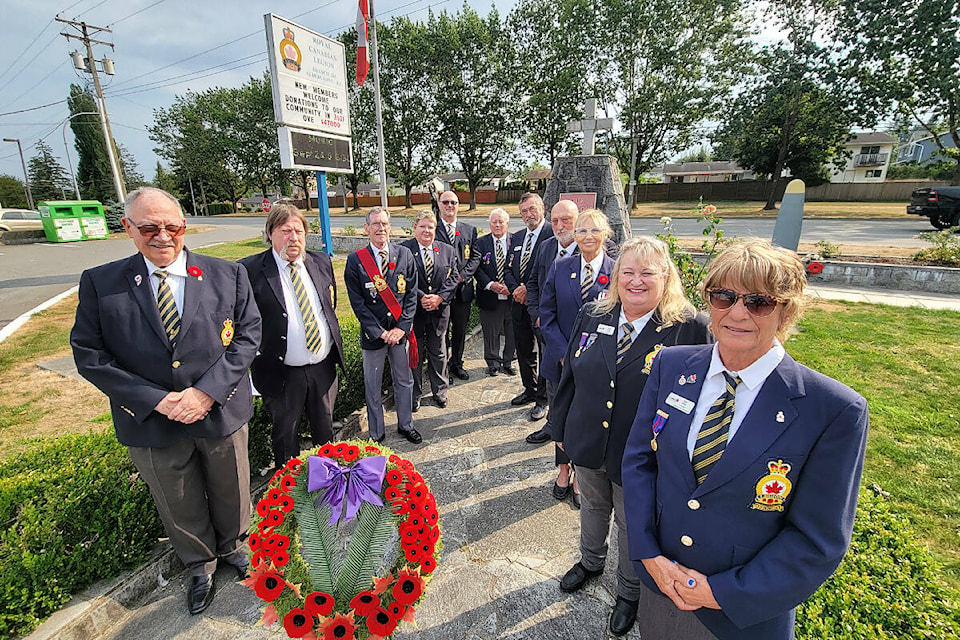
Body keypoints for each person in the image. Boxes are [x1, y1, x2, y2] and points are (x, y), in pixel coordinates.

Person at [622, 238, 870, 640]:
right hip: (661, 586)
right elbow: (639, 462)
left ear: (785, 311)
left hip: (741, 617)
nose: (736, 313)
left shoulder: (833, 410)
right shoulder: (671, 365)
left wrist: (719, 592)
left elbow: (817, 539)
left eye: (759, 302)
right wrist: (648, 554)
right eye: (723, 297)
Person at [70, 187, 261, 615]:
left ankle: (234, 547)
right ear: (129, 229)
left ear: (184, 226)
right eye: (150, 227)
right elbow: (90, 354)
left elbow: (247, 337)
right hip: (153, 421)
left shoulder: (225, 274)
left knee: (232, 485)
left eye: (171, 226)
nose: (162, 236)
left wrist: (206, 393)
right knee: (177, 497)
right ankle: (200, 564)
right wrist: (156, 400)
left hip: (218, 410)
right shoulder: (102, 283)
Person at [551, 237, 711, 636]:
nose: (636, 281)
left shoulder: (688, 328)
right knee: (591, 505)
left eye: (647, 273)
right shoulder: (594, 314)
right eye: (628, 272)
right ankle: (590, 562)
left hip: (643, 455)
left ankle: (628, 592)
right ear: (615, 276)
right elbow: (569, 376)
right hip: (588, 440)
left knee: (631, 522)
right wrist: (561, 430)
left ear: (666, 276)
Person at [239, 204, 344, 470]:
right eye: (285, 231)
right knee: (286, 436)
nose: (293, 237)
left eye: (298, 230)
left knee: (325, 431)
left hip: (322, 368)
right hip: (281, 372)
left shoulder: (320, 261)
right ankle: (291, 496)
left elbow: (328, 306)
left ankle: (326, 483)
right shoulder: (248, 271)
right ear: (270, 234)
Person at [540, 209, 616, 507]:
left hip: (598, 366)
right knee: (560, 418)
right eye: (582, 230)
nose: (587, 236)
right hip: (560, 362)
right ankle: (562, 469)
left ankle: (581, 477)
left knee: (586, 421)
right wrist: (562, 353)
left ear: (605, 235)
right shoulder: (561, 267)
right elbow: (546, 314)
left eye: (595, 230)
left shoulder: (617, 271)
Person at [344, 207, 422, 444]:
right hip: (373, 336)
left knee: (404, 381)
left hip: (399, 333)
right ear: (366, 229)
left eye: (385, 224)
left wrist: (402, 327)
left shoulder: (405, 255)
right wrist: (379, 332)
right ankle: (376, 434)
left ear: (390, 227)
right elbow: (357, 304)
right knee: (373, 386)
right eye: (375, 224)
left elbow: (410, 295)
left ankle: (406, 425)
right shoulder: (356, 260)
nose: (381, 228)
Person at [525, 199, 580, 428]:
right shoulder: (547, 246)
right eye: (555, 221)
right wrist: (537, 313)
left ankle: (575, 431)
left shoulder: (591, 248)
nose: (560, 226)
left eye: (566, 220)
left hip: (578, 334)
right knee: (553, 383)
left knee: (578, 386)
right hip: (548, 330)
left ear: (578, 220)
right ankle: (553, 426)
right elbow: (532, 283)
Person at [402, 210, 460, 410]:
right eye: (423, 226)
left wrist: (439, 298)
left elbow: (454, 278)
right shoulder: (403, 250)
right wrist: (422, 297)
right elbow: (402, 280)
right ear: (415, 228)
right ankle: (415, 394)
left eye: (431, 227)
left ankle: (440, 391)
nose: (427, 231)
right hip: (414, 312)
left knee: (439, 352)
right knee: (415, 355)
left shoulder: (447, 250)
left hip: (439, 311)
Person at [504, 192, 553, 418]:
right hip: (518, 304)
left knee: (544, 352)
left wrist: (527, 290)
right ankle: (529, 389)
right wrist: (516, 289)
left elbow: (553, 272)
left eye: (532, 209)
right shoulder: (516, 237)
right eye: (524, 211)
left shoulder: (552, 234)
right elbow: (507, 268)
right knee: (523, 349)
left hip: (542, 305)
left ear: (542, 208)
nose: (528, 215)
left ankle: (542, 399)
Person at [435, 190, 479, 381]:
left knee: (460, 331)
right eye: (446, 202)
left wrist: (462, 276)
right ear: (439, 205)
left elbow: (476, 256)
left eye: (453, 202)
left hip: (463, 291)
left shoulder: (469, 229)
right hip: (441, 292)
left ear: (458, 205)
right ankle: (443, 368)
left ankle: (456, 364)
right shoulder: (433, 229)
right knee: (441, 332)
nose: (450, 206)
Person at [473, 208, 517, 376]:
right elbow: (477, 269)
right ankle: (492, 362)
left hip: (511, 296)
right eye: (494, 222)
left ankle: (509, 361)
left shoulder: (516, 241)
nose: (497, 225)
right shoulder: (480, 243)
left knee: (512, 330)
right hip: (489, 296)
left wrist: (511, 287)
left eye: (501, 222)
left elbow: (520, 267)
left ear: (507, 223)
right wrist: (490, 284)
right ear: (489, 224)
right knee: (491, 331)